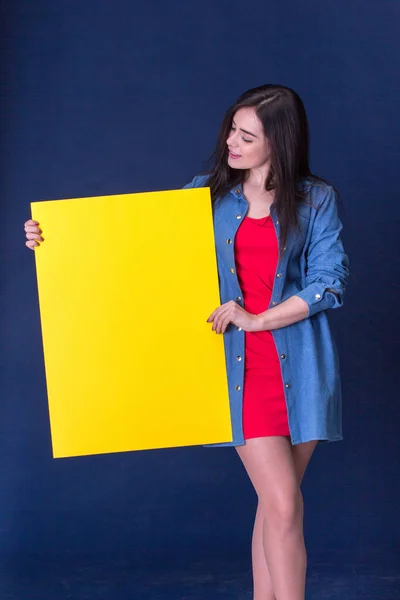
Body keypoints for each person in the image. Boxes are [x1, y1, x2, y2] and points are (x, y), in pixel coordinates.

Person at [24, 84, 349, 600]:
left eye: (247, 135)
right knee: (284, 504)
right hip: (238, 371)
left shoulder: (316, 198)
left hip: (302, 367)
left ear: (280, 143)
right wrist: (56, 240)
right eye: (231, 130)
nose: (230, 143)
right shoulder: (205, 195)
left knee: (275, 504)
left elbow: (330, 280)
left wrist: (259, 318)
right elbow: (140, 254)